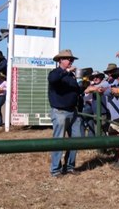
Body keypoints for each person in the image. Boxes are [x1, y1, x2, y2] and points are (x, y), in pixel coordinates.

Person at [48, 49, 83, 177]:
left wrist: (86, 88)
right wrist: (67, 71)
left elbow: (76, 91)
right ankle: (55, 169)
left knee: (76, 140)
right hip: (60, 112)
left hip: (73, 111)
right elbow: (53, 80)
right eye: (68, 59)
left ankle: (69, 166)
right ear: (60, 60)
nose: (71, 61)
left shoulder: (70, 76)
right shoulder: (55, 73)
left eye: (71, 59)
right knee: (59, 141)